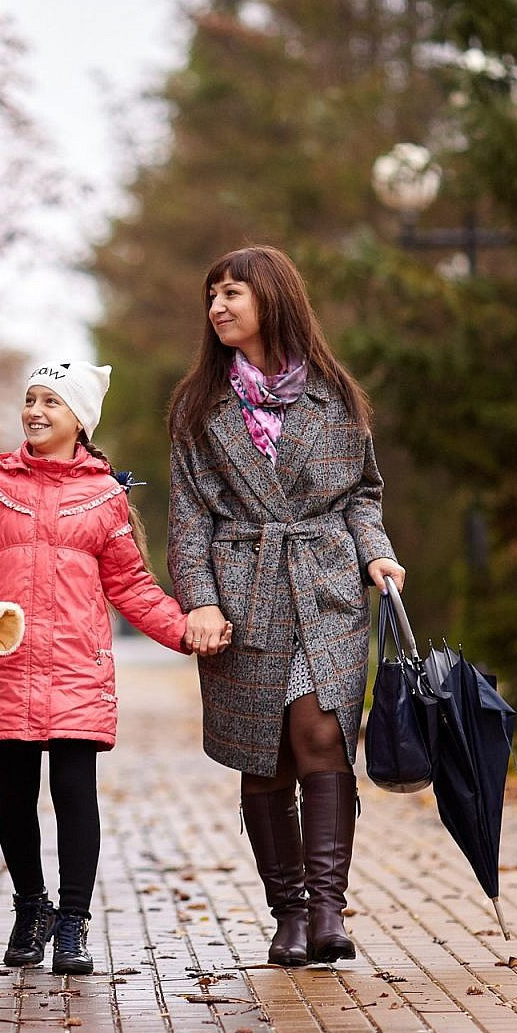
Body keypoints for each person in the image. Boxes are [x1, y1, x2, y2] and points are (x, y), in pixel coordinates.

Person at [165, 245, 406, 968]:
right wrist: (200, 602)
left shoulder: (333, 394)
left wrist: (376, 551)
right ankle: (290, 914)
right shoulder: (198, 408)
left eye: (232, 292)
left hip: (328, 588)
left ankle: (329, 908)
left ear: (273, 298)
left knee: (321, 735)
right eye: (211, 296)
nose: (218, 307)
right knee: (263, 756)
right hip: (244, 596)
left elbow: (362, 493)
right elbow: (187, 520)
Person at [0, 361, 209, 975]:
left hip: (75, 671)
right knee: (12, 798)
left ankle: (71, 921)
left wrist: (185, 630)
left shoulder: (105, 499)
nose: (35, 411)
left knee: (73, 796)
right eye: (30, 399)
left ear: (80, 420)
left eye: (51, 402)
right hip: (7, 665)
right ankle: (30, 904)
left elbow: (133, 585)